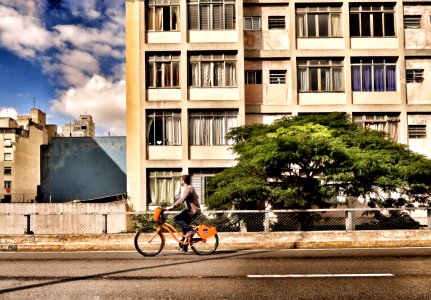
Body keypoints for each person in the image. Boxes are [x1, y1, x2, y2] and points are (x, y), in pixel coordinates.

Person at [166, 174, 201, 251]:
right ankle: (185, 246)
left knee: (176, 218)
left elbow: (181, 200)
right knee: (184, 225)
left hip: (193, 211)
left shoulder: (188, 188)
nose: (180, 181)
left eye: (181, 180)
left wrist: (172, 207)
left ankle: (191, 230)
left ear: (184, 181)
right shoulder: (189, 188)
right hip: (191, 209)